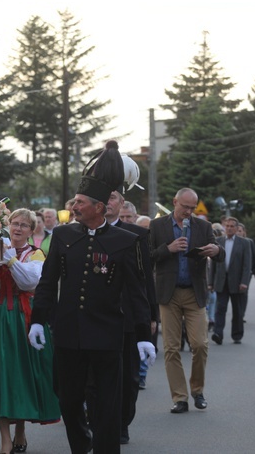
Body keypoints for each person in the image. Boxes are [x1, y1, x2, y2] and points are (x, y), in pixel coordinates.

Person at [28, 141, 155, 454]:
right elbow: (48, 281)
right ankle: (81, 444)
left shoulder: (126, 241)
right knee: (68, 400)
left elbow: (137, 291)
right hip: (69, 332)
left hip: (108, 335)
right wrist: (38, 321)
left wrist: (143, 335)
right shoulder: (63, 236)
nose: (74, 207)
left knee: (107, 404)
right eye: (75, 201)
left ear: (100, 207)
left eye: (81, 203)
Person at [0, 209, 59, 454]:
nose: (18, 228)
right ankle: (5, 439)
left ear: (32, 231)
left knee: (21, 372)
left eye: (24, 225)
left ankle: (20, 429)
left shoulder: (36, 255)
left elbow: (29, 283)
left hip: (24, 316)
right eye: (14, 223)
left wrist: (10, 259)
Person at [149, 188, 224, 414]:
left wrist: (215, 250)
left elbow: (219, 255)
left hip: (194, 292)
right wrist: (168, 249)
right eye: (185, 207)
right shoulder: (157, 226)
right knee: (171, 348)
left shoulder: (203, 226)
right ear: (175, 202)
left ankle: (198, 390)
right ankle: (180, 397)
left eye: (192, 208)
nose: (189, 212)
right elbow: (147, 257)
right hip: (168, 294)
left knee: (200, 344)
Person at [104, 189, 158, 445]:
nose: (107, 203)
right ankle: (100, 420)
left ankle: (123, 422)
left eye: (112, 199)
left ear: (122, 204)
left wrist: (152, 314)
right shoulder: (84, 233)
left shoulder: (138, 235)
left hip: (129, 315)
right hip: (98, 317)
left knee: (129, 377)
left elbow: (146, 278)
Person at [208, 217, 252, 345]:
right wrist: (210, 282)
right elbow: (214, 263)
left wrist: (244, 282)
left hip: (237, 282)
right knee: (220, 308)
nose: (229, 228)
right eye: (227, 226)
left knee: (237, 309)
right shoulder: (218, 241)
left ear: (237, 228)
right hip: (221, 281)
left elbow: (246, 265)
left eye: (232, 226)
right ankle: (218, 333)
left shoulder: (244, 243)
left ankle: (237, 334)